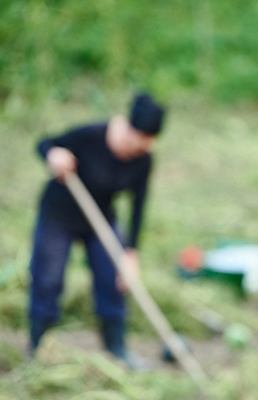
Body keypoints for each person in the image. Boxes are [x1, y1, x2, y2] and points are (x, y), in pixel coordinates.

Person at [28, 92, 166, 367]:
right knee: (48, 279)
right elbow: (44, 144)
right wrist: (54, 155)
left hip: (99, 220)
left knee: (113, 279)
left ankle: (116, 348)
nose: (139, 148)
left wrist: (131, 252)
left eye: (146, 144)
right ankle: (38, 347)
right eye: (135, 142)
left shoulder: (144, 159)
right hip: (60, 214)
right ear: (128, 127)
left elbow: (138, 206)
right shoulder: (91, 136)